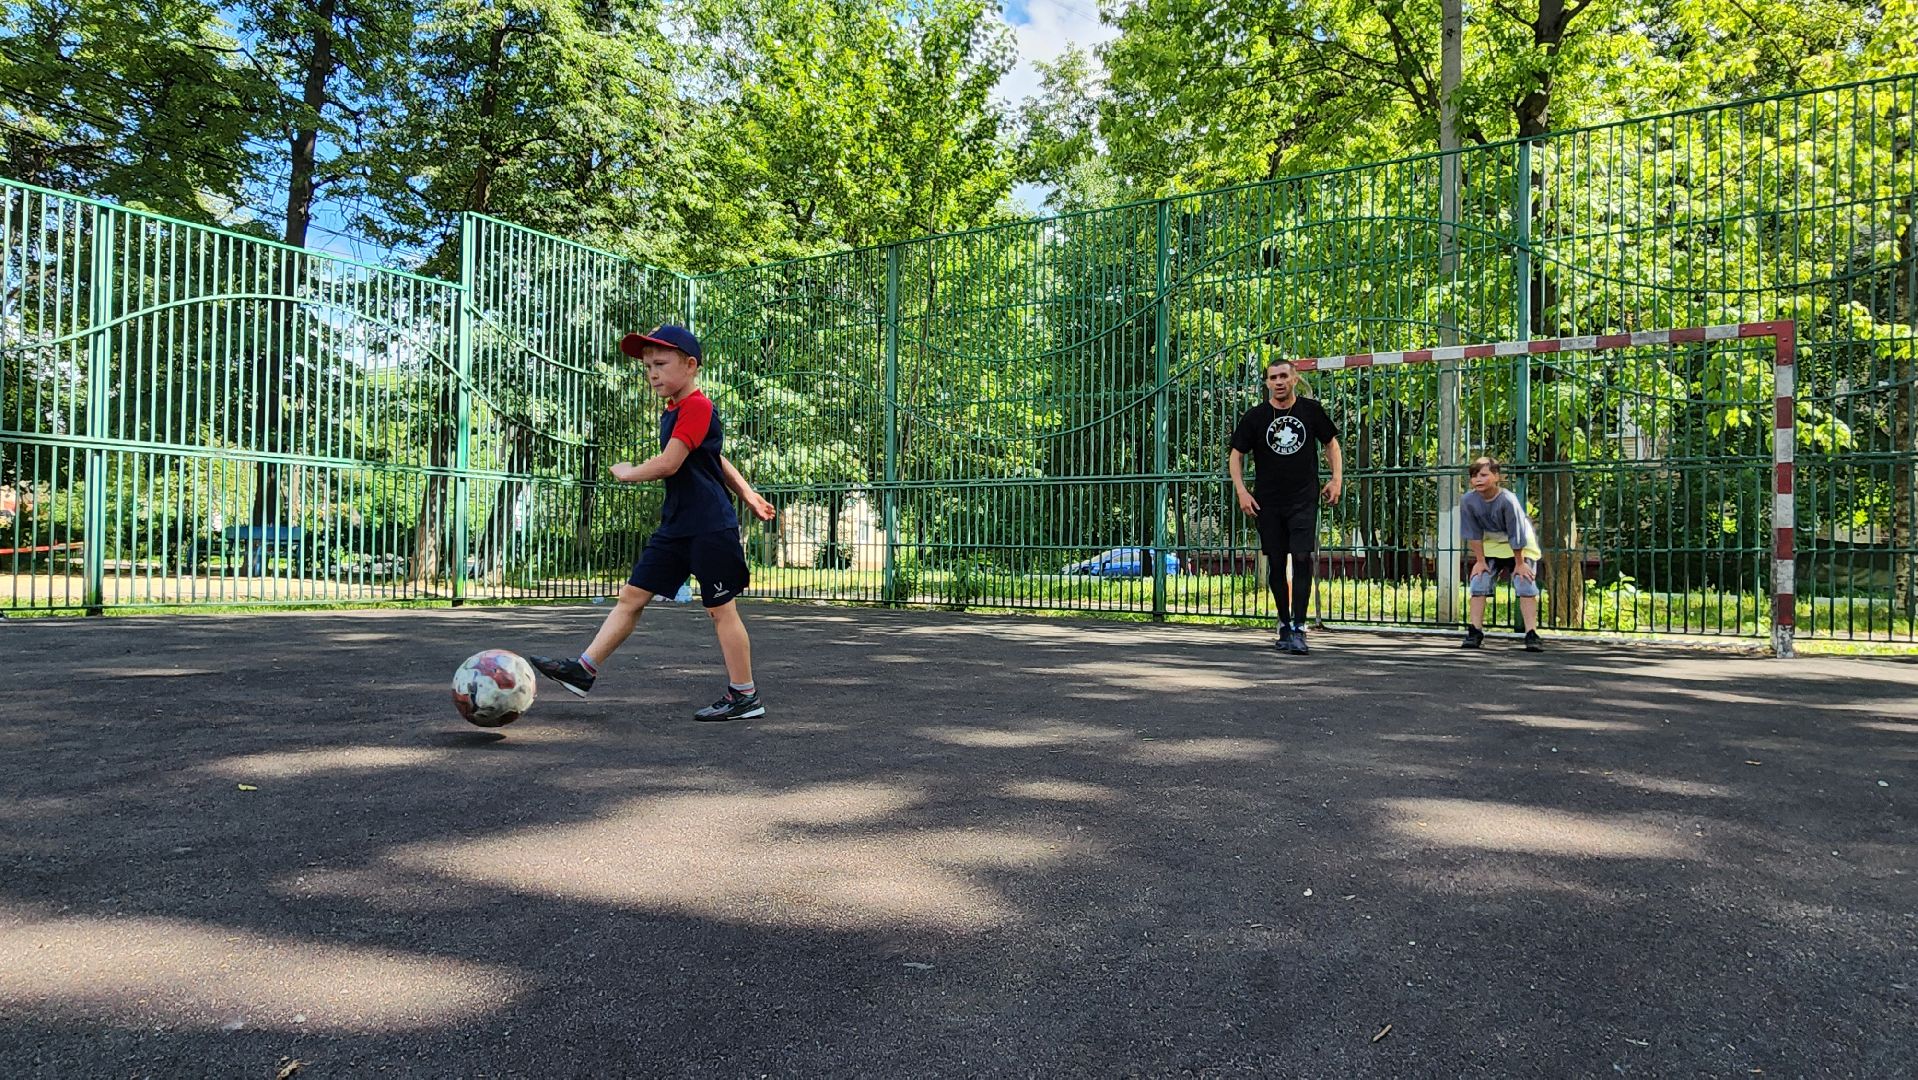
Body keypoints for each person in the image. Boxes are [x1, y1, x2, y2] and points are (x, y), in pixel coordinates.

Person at [530, 324, 777, 720]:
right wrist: (747, 492)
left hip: (709, 525)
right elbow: (712, 457)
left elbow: (671, 463)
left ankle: (744, 695)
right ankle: (584, 670)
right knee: (631, 596)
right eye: (647, 367)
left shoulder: (698, 406)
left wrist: (628, 472)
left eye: (660, 364)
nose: (653, 374)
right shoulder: (676, 411)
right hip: (677, 525)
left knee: (720, 609)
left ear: (691, 365)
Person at [1229, 357, 1342, 654]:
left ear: (1294, 379)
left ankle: (1299, 628)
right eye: (1272, 377)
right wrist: (1242, 490)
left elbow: (1331, 443)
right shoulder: (1256, 417)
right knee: (1277, 563)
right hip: (1268, 501)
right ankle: (1283, 622)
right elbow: (1236, 454)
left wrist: (1336, 479)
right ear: (1266, 382)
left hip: (1303, 499)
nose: (1278, 382)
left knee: (1302, 557)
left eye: (1283, 376)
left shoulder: (1310, 410)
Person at [1459, 456, 1544, 652]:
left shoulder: (1507, 499)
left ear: (1496, 476)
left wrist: (1520, 563)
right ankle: (1475, 631)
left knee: (1525, 583)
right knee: (1478, 582)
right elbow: (1472, 532)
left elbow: (1517, 532)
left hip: (1520, 546)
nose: (1478, 479)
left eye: (1483, 475)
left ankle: (1532, 633)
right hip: (1491, 546)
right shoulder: (1468, 501)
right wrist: (1480, 561)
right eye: (1474, 476)